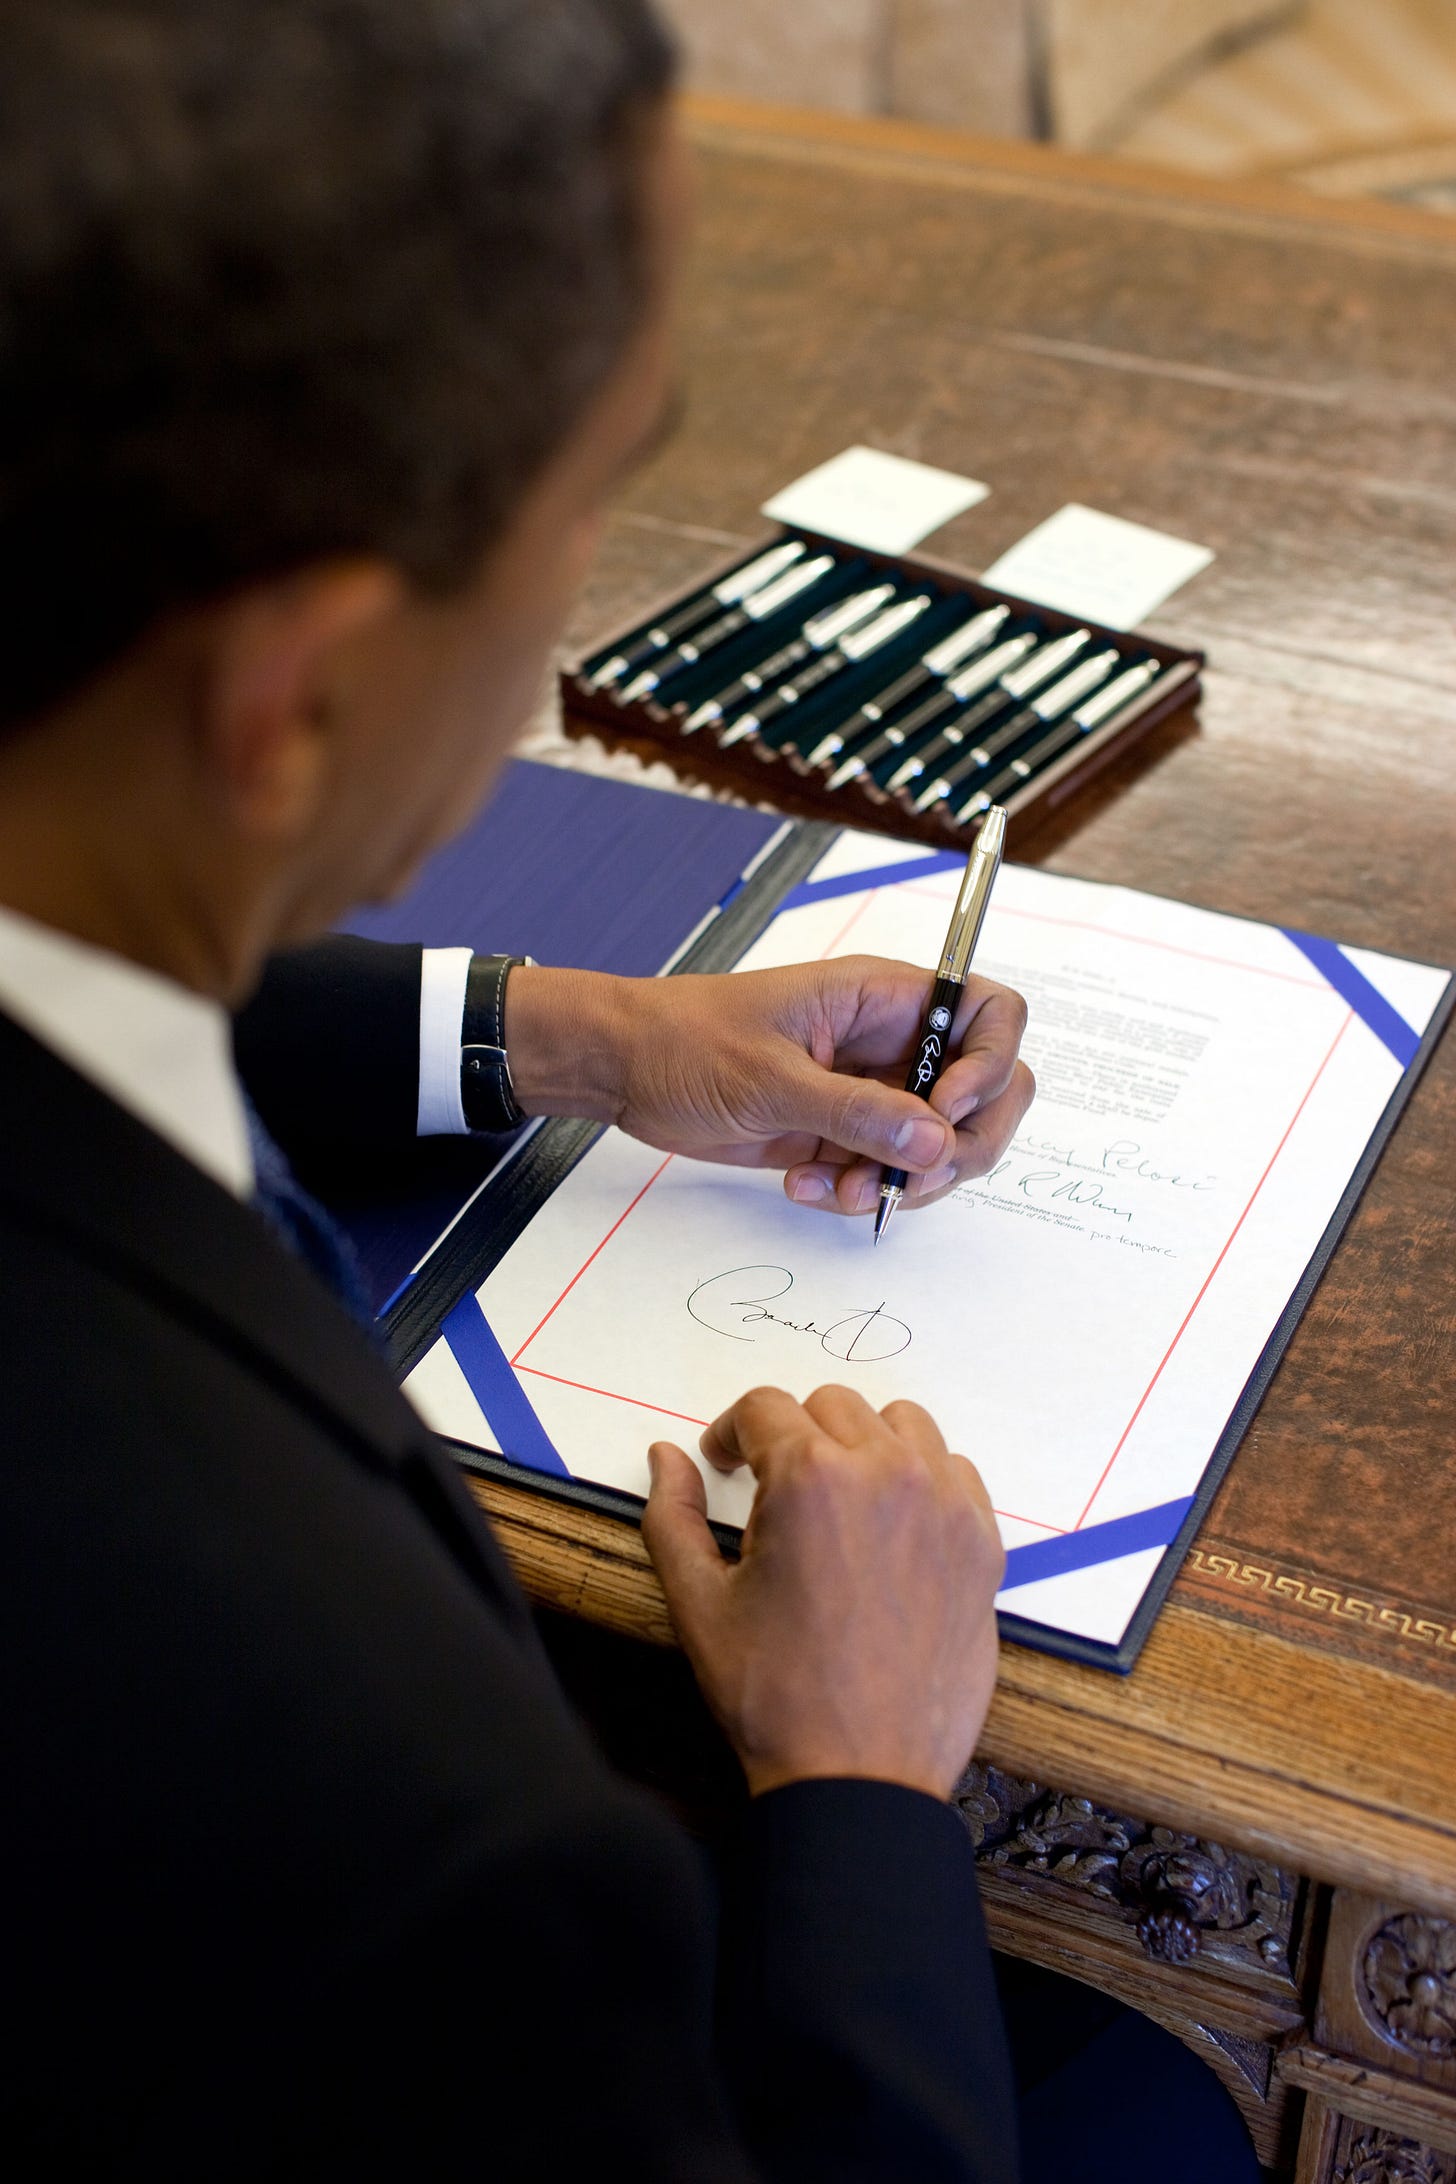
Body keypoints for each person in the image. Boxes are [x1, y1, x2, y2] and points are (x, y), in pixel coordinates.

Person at [0, 6, 1260, 2179]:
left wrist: (577, 1037)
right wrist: (857, 1781)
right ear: (298, 705)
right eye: (592, 497)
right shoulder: (417, 1816)